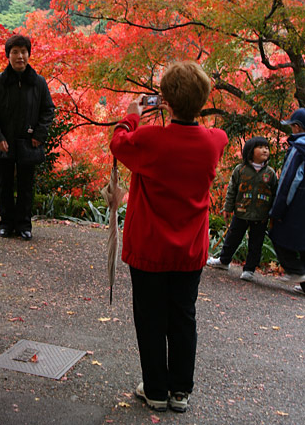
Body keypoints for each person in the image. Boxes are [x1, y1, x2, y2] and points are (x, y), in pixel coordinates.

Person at [110, 61, 228, 414]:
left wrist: (132, 115)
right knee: (183, 315)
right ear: (204, 99)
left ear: (164, 99)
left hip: (149, 246)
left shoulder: (149, 139)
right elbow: (203, 132)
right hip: (190, 248)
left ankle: (156, 390)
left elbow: (119, 143)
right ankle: (181, 391)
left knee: (149, 317)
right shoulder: (215, 141)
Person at [0, 34, 54, 240]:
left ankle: (24, 225)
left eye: (23, 52)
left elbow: (48, 110)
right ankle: (6, 224)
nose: (20, 56)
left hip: (29, 141)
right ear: (8, 55)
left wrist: (40, 134)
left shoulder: (38, 82)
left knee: (26, 186)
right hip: (3, 141)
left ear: (29, 54)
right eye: (15, 52)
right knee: (4, 184)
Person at [206, 137, 277, 281]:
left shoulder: (270, 173)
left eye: (267, 148)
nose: (265, 150)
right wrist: (228, 208)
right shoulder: (241, 170)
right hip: (241, 212)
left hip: (260, 215)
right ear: (250, 151)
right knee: (233, 238)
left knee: (256, 243)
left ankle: (249, 269)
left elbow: (275, 194)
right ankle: (224, 261)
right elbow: (232, 190)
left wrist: (273, 215)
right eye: (260, 147)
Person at [268, 108, 305, 293]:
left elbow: (289, 180)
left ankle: (295, 270)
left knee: (276, 233)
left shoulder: (298, 149)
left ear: (297, 127)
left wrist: (277, 209)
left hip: (296, 202)